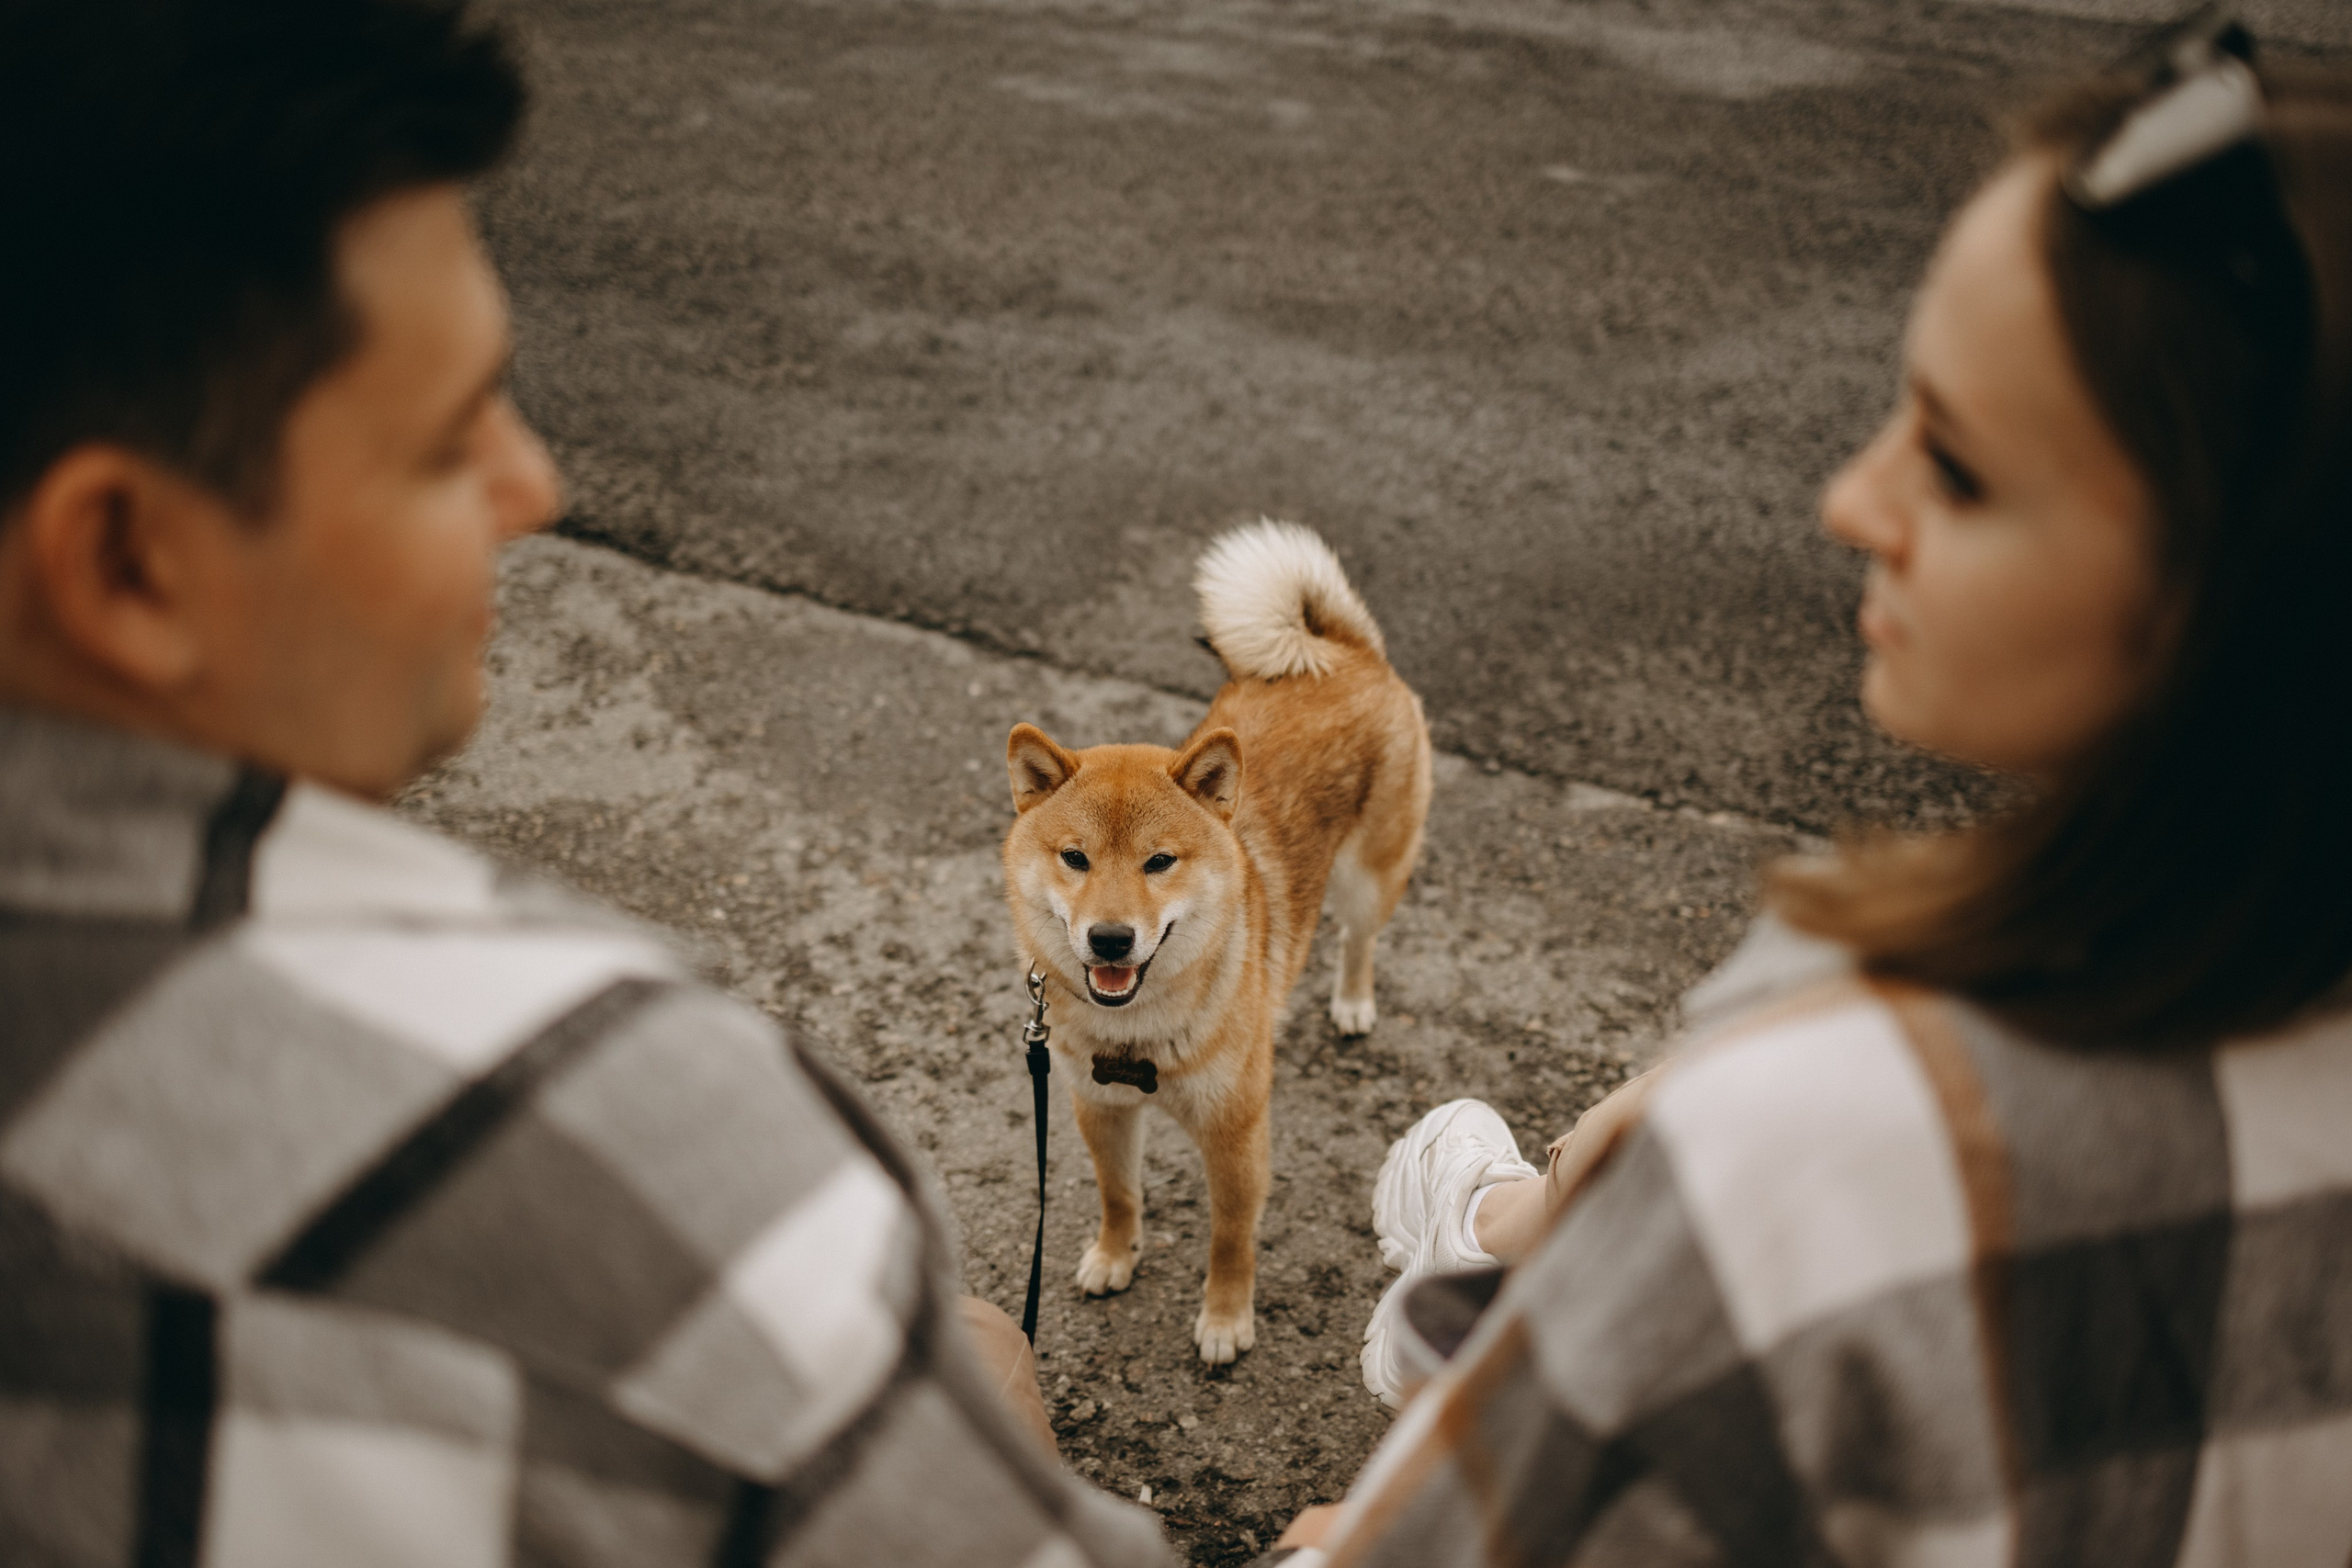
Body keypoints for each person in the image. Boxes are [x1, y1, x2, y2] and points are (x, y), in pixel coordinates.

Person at [0, 3, 1175, 1564]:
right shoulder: (623, 1145)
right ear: (128, 559)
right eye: (440, 441)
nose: (533, 486)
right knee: (985, 1353)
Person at [1276, 13, 2352, 1565]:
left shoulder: (1830, 1147)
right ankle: (1511, 1234)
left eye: (1962, 467)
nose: (1854, 500)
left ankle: (1502, 1258)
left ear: (2247, 598)